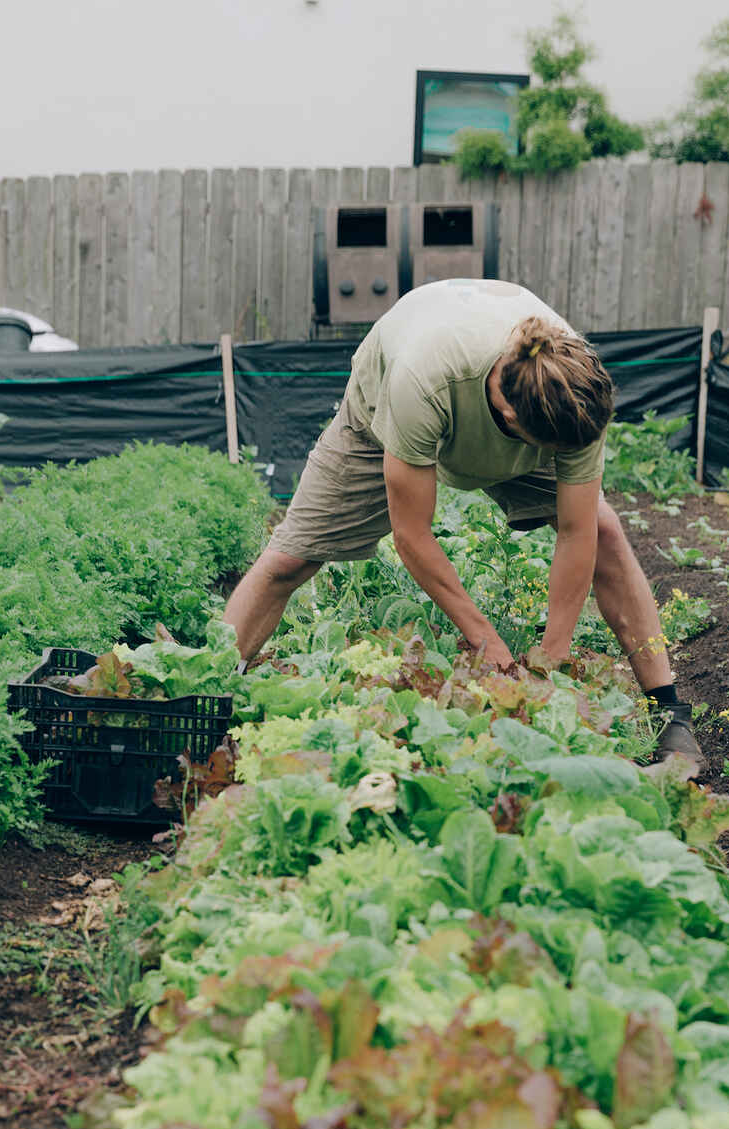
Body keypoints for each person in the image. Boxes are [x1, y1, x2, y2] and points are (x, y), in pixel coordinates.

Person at [223, 277, 703, 771]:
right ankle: (209, 696)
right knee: (289, 558)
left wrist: (549, 663)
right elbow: (412, 535)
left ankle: (668, 710)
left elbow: (577, 532)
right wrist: (487, 643)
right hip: (383, 412)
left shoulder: (571, 388)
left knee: (605, 531)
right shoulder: (422, 380)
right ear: (511, 420)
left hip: (519, 405)